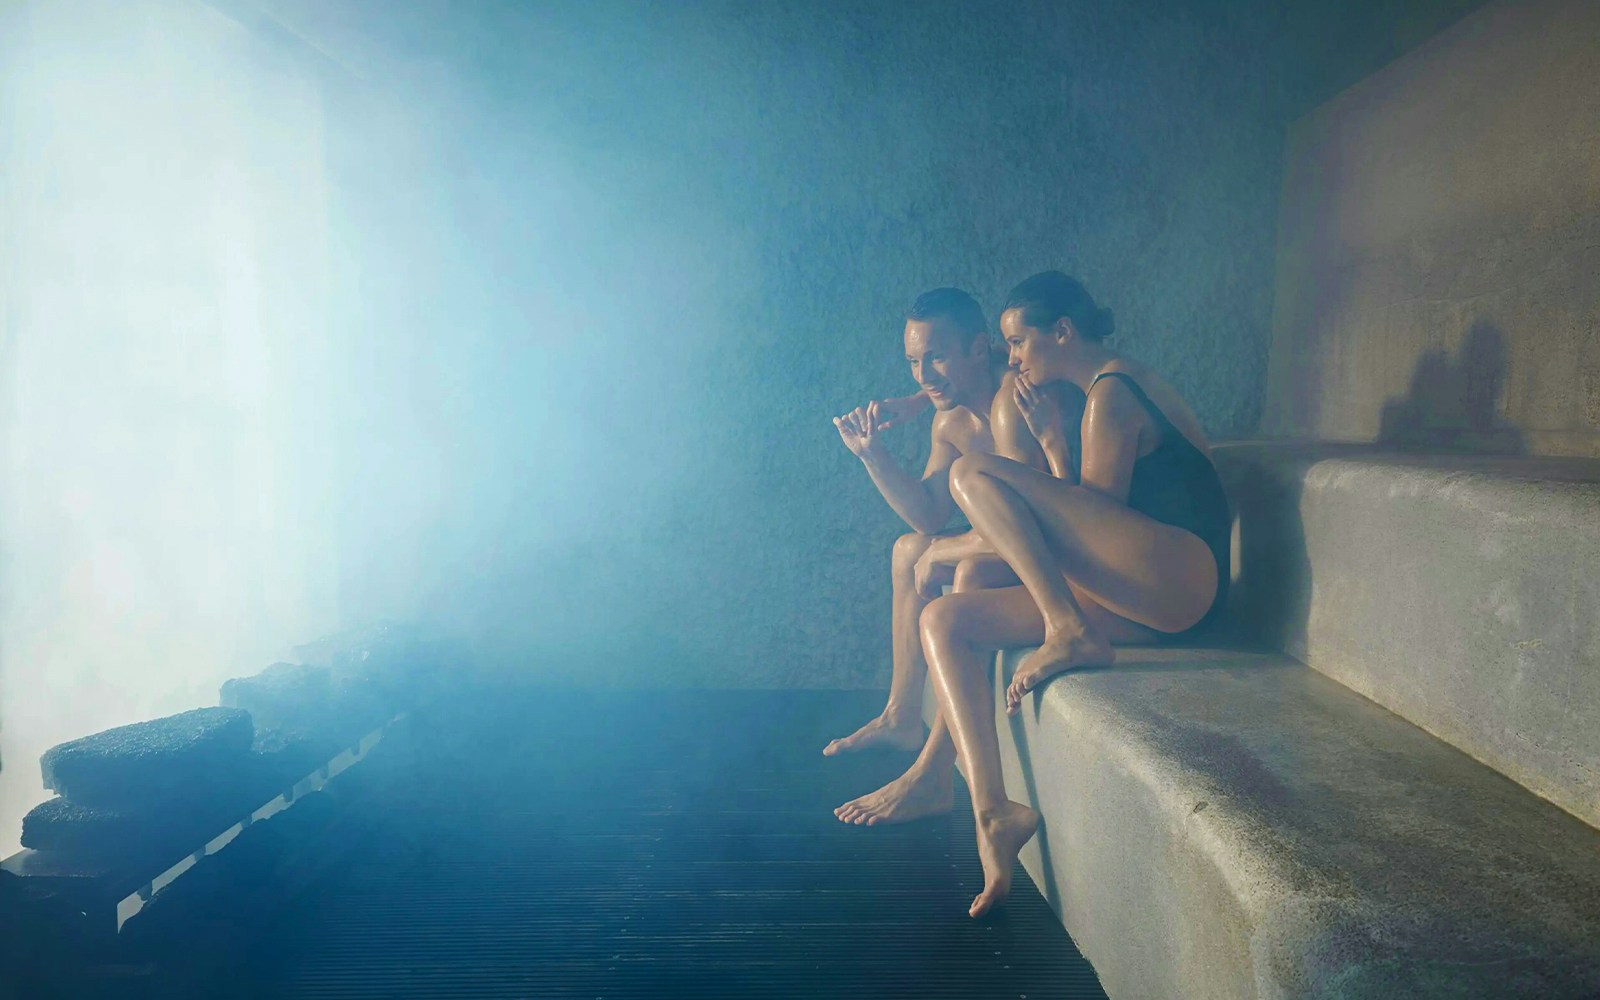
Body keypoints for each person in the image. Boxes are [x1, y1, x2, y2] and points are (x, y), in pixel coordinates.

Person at [915, 270, 1231, 917]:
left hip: (1182, 574)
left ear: (1062, 332)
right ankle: (992, 812)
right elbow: (1089, 531)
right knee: (944, 619)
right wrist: (1054, 451)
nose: (1013, 361)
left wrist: (1053, 446)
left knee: (972, 473)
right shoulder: (1099, 392)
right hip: (1144, 597)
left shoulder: (1112, 391)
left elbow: (1090, 519)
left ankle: (1067, 627)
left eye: (1019, 344)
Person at [825, 288, 1002, 766]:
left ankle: (937, 767)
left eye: (937, 357)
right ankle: (901, 716)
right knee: (908, 547)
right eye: (913, 361)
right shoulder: (950, 423)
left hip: (1051, 550)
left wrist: (945, 552)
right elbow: (929, 514)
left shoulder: (1021, 397)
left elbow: (1038, 524)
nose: (923, 375)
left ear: (980, 348)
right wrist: (872, 456)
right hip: (1012, 542)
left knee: (941, 560)